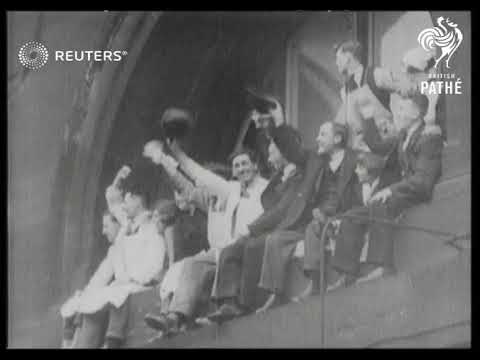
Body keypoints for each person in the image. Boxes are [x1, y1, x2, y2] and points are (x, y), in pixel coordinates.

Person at [142, 136, 268, 335]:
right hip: (221, 252)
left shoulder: (254, 189)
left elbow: (200, 176)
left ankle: (211, 313)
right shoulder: (222, 195)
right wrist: (164, 159)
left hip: (248, 248)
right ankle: (175, 317)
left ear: (255, 166)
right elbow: (186, 185)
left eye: (245, 163)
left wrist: (179, 155)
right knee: (192, 264)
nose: (241, 168)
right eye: (237, 165)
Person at [328, 93, 443, 289]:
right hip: (403, 191)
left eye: (402, 109)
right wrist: (369, 118)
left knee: (381, 202)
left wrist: (391, 190)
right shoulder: (402, 136)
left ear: (416, 114)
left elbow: (423, 180)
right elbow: (378, 147)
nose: (397, 113)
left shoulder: (428, 138)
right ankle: (347, 272)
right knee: (351, 215)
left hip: (416, 192)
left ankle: (383, 266)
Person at [254, 120, 359, 313]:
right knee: (275, 240)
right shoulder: (317, 160)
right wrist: (275, 128)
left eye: (322, 135)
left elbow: (351, 194)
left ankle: (315, 283)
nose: (317, 138)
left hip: (339, 214)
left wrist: (328, 211)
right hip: (315, 217)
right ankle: (275, 294)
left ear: (337, 139)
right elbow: (294, 152)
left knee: (313, 227)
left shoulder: (353, 159)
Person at [206, 125, 306, 322]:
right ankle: (228, 303)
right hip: (266, 228)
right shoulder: (277, 177)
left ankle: (248, 303)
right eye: (237, 166)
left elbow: (280, 210)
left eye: (272, 152)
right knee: (230, 250)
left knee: (252, 245)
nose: (269, 158)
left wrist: (251, 229)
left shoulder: (296, 174)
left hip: (286, 227)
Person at [61, 162, 167, 348]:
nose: (123, 207)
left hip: (139, 285)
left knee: (117, 294)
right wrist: (118, 180)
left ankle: (113, 341)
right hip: (123, 285)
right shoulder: (126, 227)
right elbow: (113, 200)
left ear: (137, 200)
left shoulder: (152, 228)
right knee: (93, 300)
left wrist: (135, 278)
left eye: (127, 201)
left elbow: (155, 264)